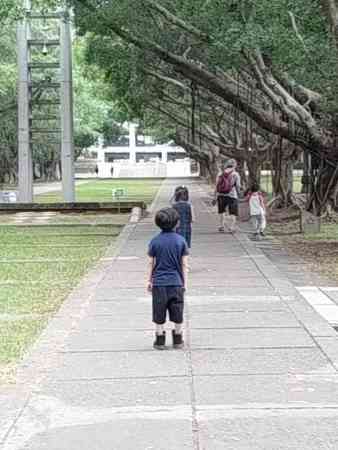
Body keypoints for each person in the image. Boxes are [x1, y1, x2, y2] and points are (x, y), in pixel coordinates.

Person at [147, 207, 189, 350]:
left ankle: (160, 339)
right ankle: (178, 338)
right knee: (177, 309)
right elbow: (184, 264)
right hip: (176, 282)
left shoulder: (154, 241)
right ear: (177, 223)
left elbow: (151, 263)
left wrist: (149, 280)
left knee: (159, 310)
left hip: (159, 283)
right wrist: (184, 282)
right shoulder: (181, 241)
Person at [214, 159, 241, 233]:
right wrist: (239, 195)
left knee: (222, 211)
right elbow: (238, 186)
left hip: (221, 195)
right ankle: (231, 227)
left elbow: (216, 186)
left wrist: (214, 196)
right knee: (233, 212)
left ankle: (221, 226)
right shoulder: (235, 174)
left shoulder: (220, 174)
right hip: (232, 195)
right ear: (234, 165)